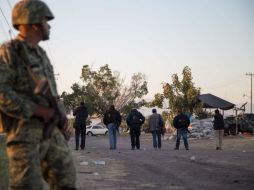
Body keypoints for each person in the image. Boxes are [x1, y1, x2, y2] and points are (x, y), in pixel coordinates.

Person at [0, 0, 77, 189]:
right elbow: (2, 93)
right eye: (45, 20)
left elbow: (51, 93)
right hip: (23, 134)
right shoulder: (10, 51)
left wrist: (60, 116)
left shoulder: (41, 54)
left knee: (66, 181)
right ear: (34, 23)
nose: (48, 25)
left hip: (51, 132)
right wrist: (38, 110)